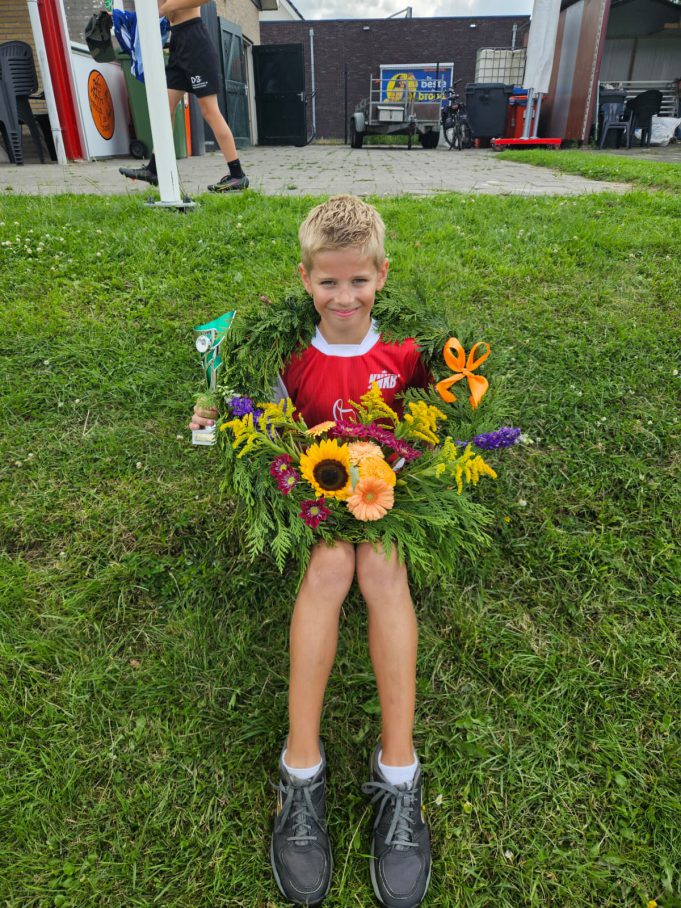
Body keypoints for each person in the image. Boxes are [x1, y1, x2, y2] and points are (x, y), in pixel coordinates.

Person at [189, 196, 432, 908]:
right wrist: (212, 411)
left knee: (382, 565)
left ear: (381, 275)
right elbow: (256, 422)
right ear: (304, 280)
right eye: (328, 282)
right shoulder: (286, 354)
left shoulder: (407, 352)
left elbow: (440, 418)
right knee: (330, 563)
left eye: (358, 281)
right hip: (315, 491)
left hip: (390, 495)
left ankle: (398, 771)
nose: (344, 296)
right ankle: (301, 770)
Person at [119, 0, 248, 193]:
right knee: (164, 109)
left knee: (209, 111)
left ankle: (238, 175)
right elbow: (154, 12)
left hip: (196, 43)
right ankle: (155, 170)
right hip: (177, 43)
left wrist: (167, 8)